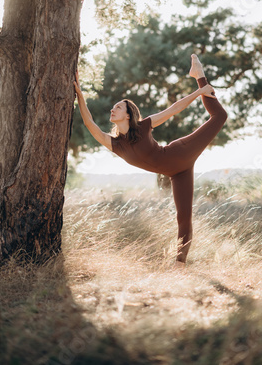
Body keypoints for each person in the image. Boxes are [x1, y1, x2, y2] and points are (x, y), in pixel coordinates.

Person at [73, 54, 228, 266]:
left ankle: (199, 75)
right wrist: (80, 96)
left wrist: (200, 91)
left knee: (220, 116)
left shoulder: (144, 126)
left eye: (118, 107)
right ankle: (180, 264)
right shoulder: (115, 144)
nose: (112, 109)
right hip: (177, 173)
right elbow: (90, 124)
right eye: (114, 107)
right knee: (183, 217)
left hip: (181, 153)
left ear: (128, 115)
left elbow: (173, 109)